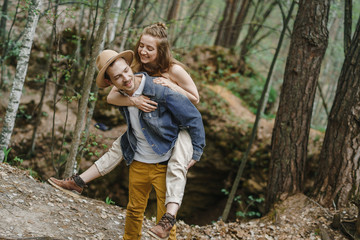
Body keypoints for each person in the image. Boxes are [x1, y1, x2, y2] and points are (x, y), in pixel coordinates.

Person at [48, 23, 200, 239]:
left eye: (150, 48)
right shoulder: (133, 68)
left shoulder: (173, 70)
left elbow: (195, 99)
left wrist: (171, 85)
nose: (143, 51)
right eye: (141, 46)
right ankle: (79, 181)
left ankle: (169, 218)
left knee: (178, 163)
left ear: (161, 51)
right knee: (119, 145)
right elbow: (112, 97)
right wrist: (134, 100)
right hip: (149, 128)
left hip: (177, 126)